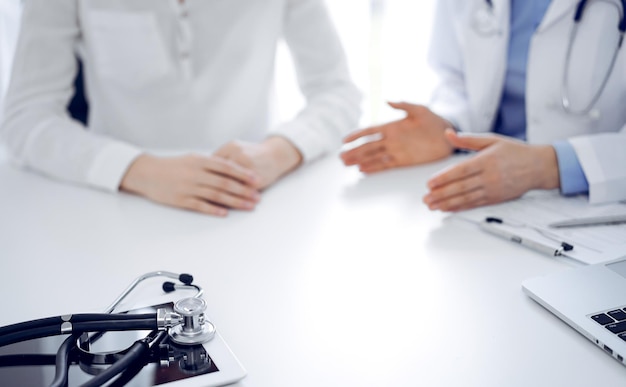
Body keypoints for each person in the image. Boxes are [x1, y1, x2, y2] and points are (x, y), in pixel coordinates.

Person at [1, 0, 361, 217]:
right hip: (112, 204)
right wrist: (137, 170)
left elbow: (337, 90)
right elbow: (25, 115)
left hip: (250, 201)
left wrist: (280, 150)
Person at [341, 0, 625, 212]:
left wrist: (549, 166)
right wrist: (450, 127)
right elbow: (453, 74)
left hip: (598, 207)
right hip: (488, 191)